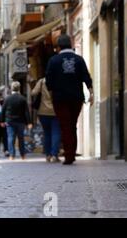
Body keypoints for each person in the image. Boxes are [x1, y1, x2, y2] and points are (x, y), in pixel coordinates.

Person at [46, 34, 93, 165]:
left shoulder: (53, 61)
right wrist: (91, 92)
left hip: (60, 99)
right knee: (72, 125)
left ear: (59, 47)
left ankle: (69, 155)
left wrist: (51, 92)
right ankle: (71, 154)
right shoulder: (79, 59)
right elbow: (86, 77)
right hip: (76, 98)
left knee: (65, 126)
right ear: (70, 45)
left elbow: (48, 81)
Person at [32, 77, 61, 163]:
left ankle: (48, 155)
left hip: (43, 111)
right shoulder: (58, 79)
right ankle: (54, 155)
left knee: (47, 133)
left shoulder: (41, 81)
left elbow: (33, 93)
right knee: (56, 132)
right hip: (56, 111)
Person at [1, 82, 33, 160]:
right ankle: (23, 155)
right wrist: (29, 122)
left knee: (10, 138)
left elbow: (3, 110)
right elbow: (26, 111)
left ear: (12, 88)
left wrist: (2, 121)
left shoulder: (7, 98)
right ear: (19, 88)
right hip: (20, 121)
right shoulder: (22, 98)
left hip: (10, 121)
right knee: (21, 138)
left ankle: (12, 155)